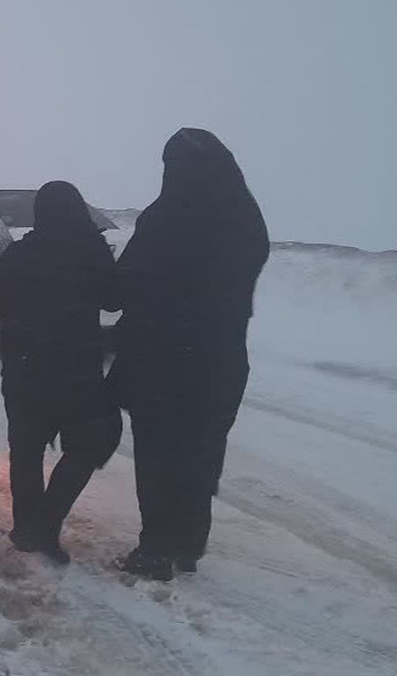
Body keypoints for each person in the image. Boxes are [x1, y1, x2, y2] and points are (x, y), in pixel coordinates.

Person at [110, 128, 269, 581]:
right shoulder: (246, 219)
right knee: (202, 451)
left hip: (161, 360)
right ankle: (189, 543)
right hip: (220, 360)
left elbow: (124, 284)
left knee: (159, 455)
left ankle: (156, 549)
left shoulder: (166, 217)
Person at [0, 182, 122, 564]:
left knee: (25, 452)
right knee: (87, 448)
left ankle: (27, 527)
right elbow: (115, 298)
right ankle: (46, 524)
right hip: (78, 372)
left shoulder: (22, 253)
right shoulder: (91, 252)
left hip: (26, 370)